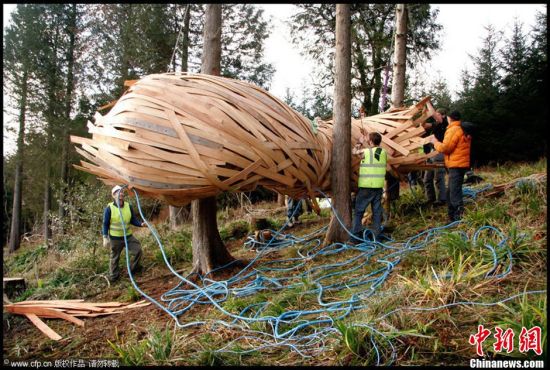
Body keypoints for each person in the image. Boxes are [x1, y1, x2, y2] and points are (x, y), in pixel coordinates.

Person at [432, 110, 471, 223]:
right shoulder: (461, 128)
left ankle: (458, 218)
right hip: (460, 163)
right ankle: (452, 216)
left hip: (456, 164)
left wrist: (435, 142)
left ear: (449, 118)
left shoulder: (453, 130)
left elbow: (446, 148)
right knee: (451, 191)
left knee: (454, 192)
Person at [102, 185, 147, 283]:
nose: (121, 194)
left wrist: (141, 224)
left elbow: (133, 220)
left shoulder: (128, 206)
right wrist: (105, 237)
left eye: (122, 192)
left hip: (128, 236)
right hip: (115, 238)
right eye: (118, 192)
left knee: (138, 250)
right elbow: (105, 224)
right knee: (115, 258)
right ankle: (114, 277)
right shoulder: (109, 208)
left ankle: (132, 271)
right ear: (113, 195)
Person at [351, 131, 387, 240]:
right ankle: (376, 236)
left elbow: (354, 152)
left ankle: (355, 237)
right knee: (377, 212)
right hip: (378, 188)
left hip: (366, 187)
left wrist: (360, 142)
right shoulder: (383, 152)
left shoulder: (366, 152)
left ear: (370, 141)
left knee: (359, 211)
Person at [422, 107, 448, 206]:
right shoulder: (436, 124)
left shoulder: (444, 123)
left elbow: (434, 115)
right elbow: (423, 125)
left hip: (439, 152)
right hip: (431, 152)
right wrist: (423, 116)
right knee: (427, 178)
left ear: (443, 115)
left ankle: (442, 199)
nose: (435, 116)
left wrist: (427, 102)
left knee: (438, 177)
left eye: (438, 114)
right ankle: (430, 199)